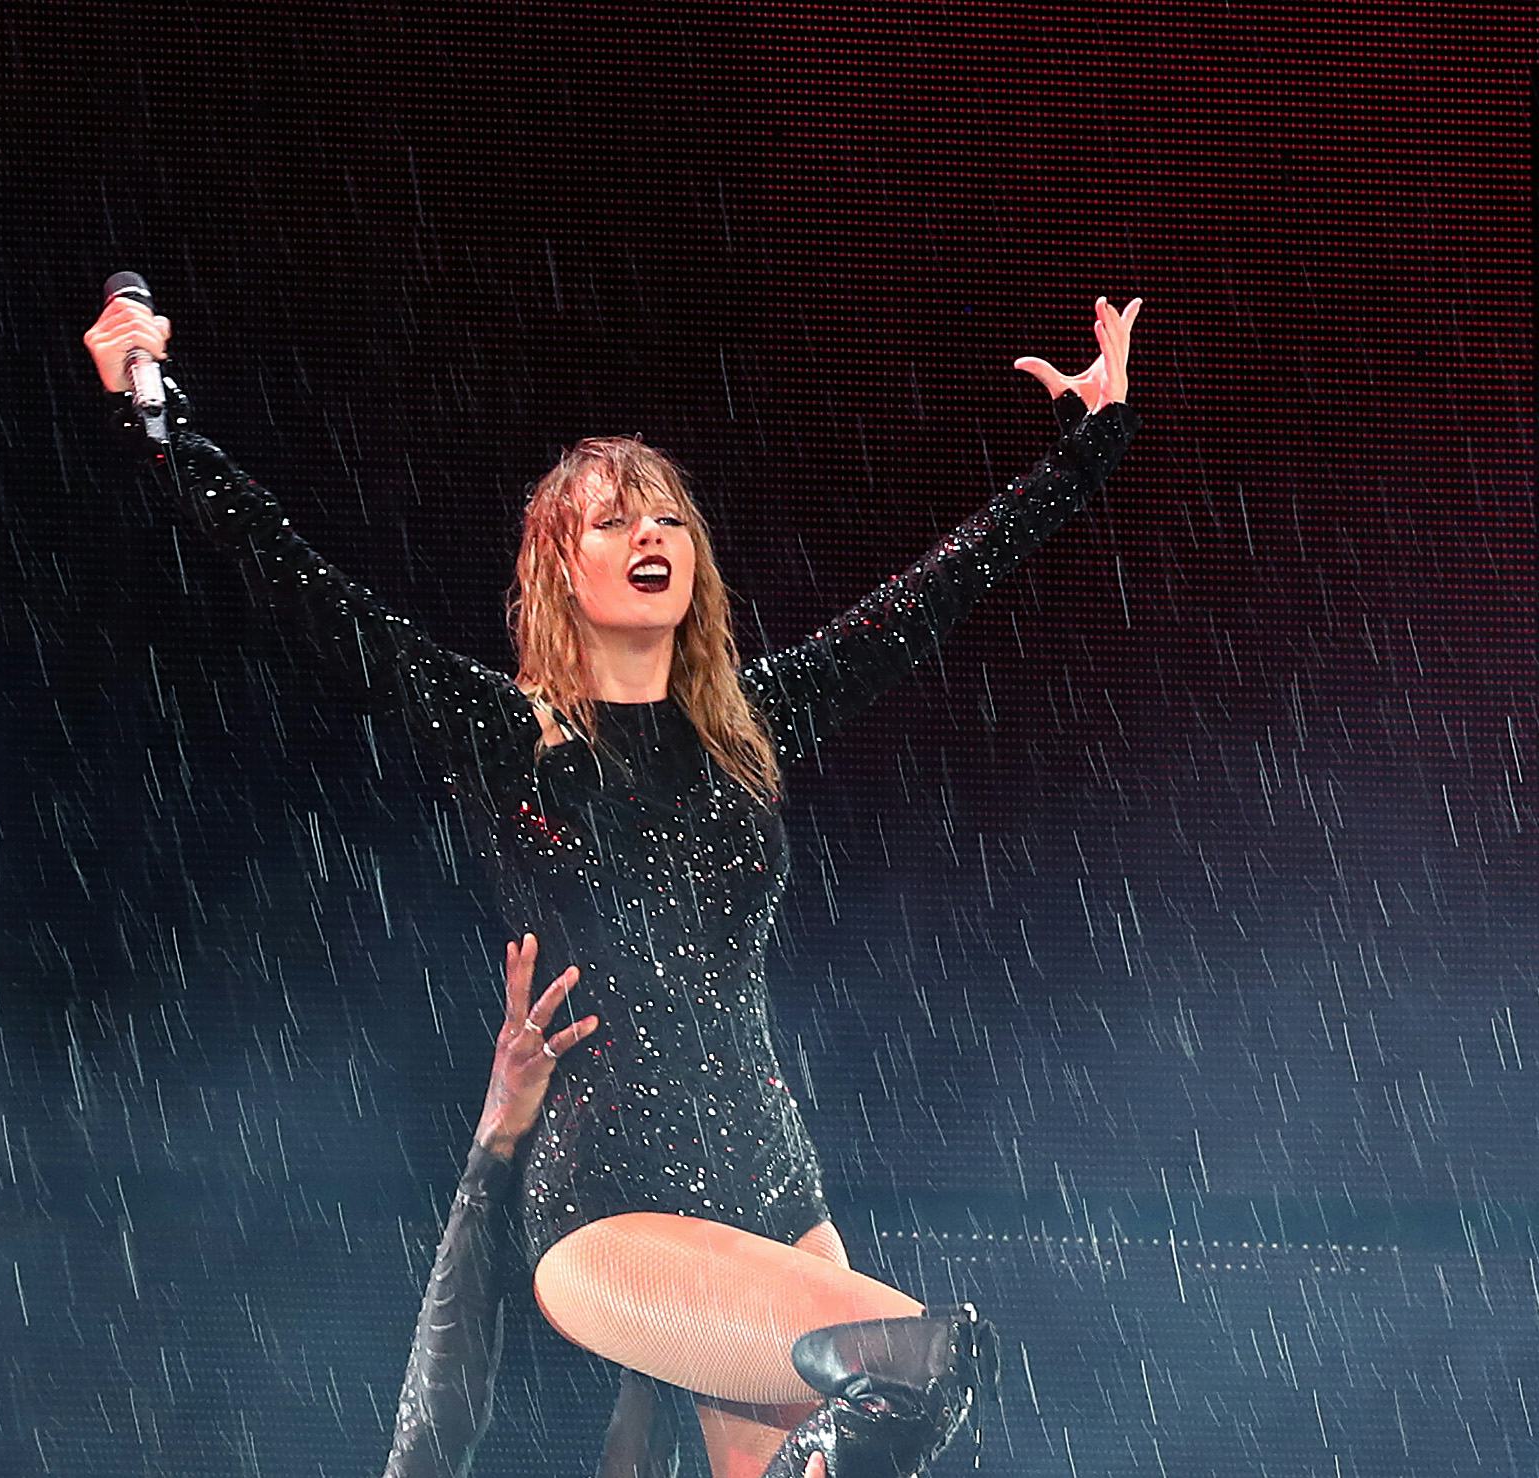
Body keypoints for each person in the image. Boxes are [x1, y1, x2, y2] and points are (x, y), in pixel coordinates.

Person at [86, 294, 1142, 1477]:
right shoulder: (508, 735)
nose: (651, 534)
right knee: (924, 1360)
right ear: (559, 563)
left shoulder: (753, 722)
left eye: (668, 518)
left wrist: (1092, 437)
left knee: (871, 1424)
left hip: (775, 1177)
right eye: (613, 520)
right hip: (613, 1202)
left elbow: (937, 592)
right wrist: (151, 402)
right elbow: (298, 580)